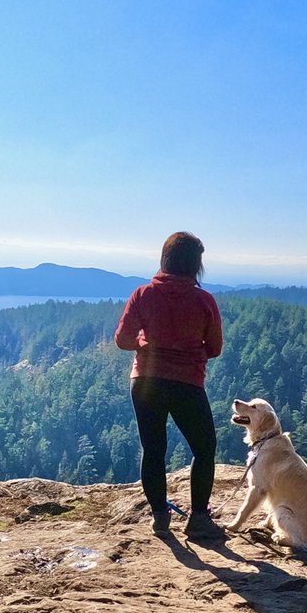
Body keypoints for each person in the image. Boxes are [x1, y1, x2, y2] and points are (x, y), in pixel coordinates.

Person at [114, 231, 224, 540]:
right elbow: (214, 348)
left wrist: (145, 343)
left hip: (145, 381)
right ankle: (199, 518)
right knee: (204, 448)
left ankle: (160, 519)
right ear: (195, 263)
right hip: (187, 383)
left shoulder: (143, 294)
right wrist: (189, 351)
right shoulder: (204, 300)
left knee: (153, 449)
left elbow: (123, 340)